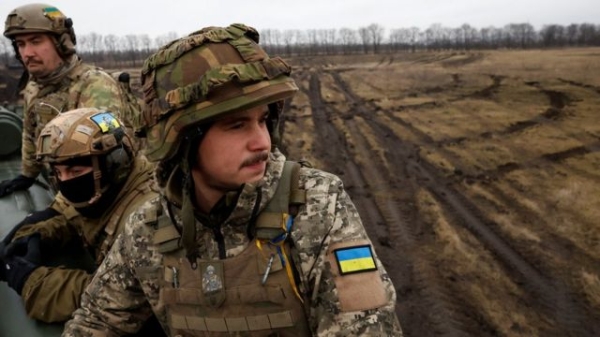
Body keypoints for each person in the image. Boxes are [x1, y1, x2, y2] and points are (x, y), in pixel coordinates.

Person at [63, 24, 403, 336]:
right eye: (236, 125)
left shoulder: (316, 205)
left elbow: (365, 326)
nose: (263, 143)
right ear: (183, 139)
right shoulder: (148, 228)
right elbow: (95, 321)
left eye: (263, 120)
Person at [0, 107, 157, 324]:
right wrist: (37, 234)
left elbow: (126, 298)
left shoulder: (150, 217)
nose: (66, 181)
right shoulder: (105, 190)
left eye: (75, 172)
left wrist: (33, 281)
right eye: (58, 173)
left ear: (115, 162)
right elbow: (77, 216)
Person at [0, 3, 140, 198]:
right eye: (20, 44)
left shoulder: (95, 87)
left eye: (36, 41)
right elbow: (30, 132)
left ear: (62, 42)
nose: (27, 53)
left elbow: (109, 167)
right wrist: (27, 175)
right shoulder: (34, 87)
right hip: (65, 185)